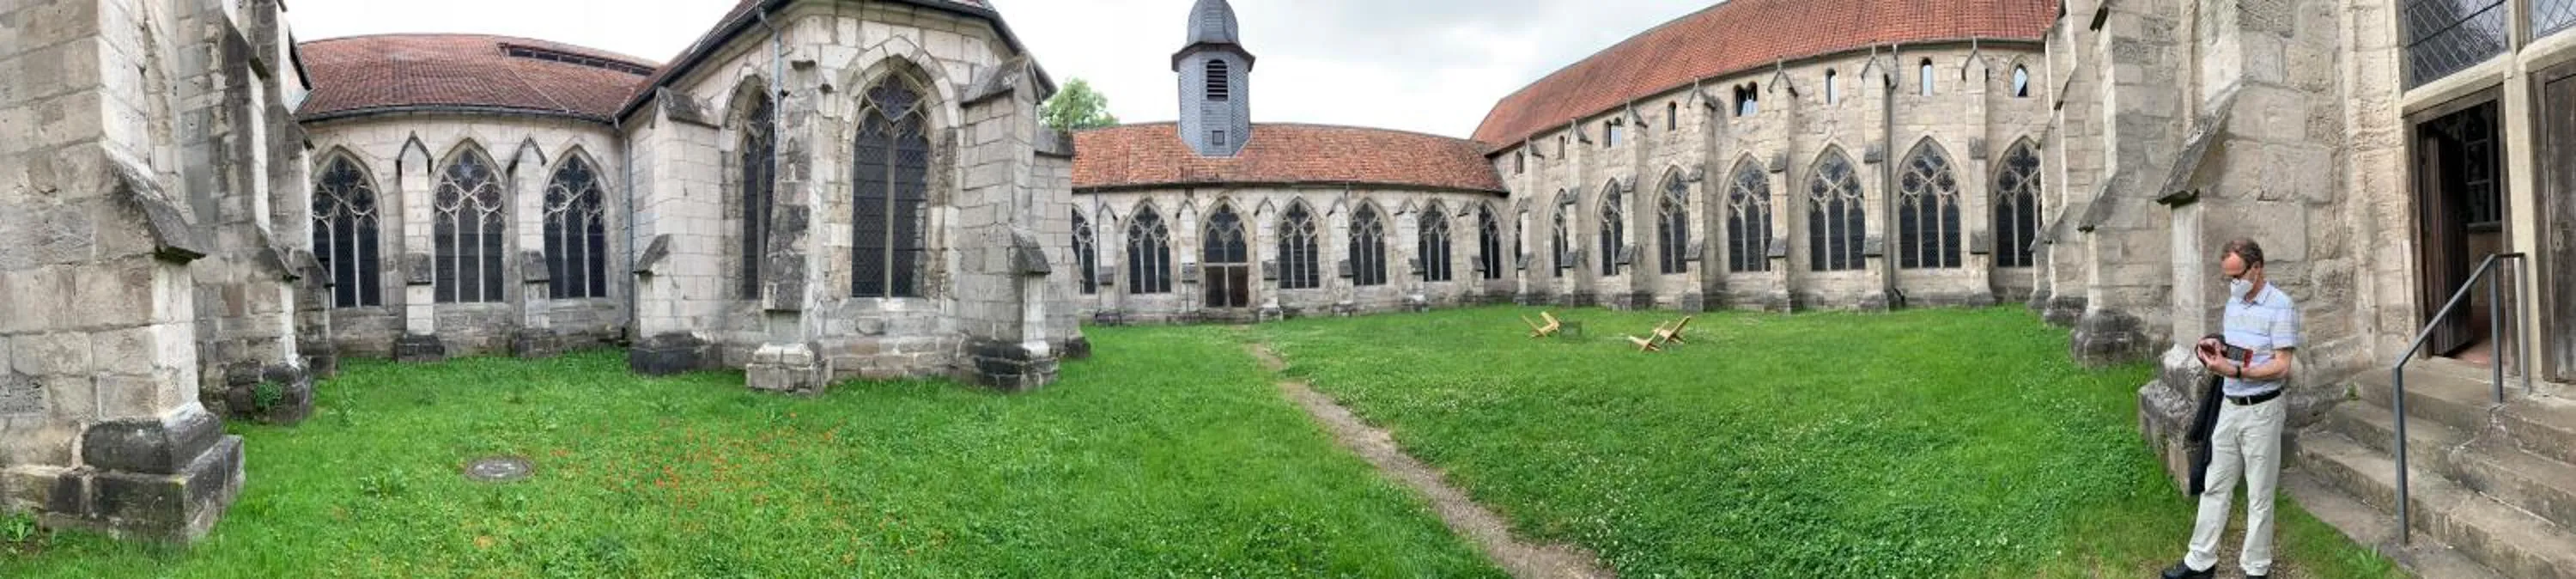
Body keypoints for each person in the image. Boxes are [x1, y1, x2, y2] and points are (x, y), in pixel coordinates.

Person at [2164, 239, 2298, 579]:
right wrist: (2216, 349)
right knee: (2215, 484)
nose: (2232, 284)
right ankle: (2200, 562)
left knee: (2259, 494)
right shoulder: (2234, 304)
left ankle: (2256, 568)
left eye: (2237, 276)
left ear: (2257, 269)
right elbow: (2239, 349)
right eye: (2228, 278)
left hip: (2262, 410)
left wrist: (2237, 372)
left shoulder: (2281, 306)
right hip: (2229, 405)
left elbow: (2282, 366)